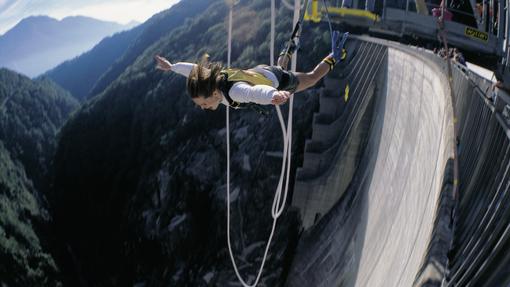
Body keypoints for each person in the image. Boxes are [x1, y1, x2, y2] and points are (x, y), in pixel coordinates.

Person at [155, 31, 349, 111]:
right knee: (278, 67)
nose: (203, 107)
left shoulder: (233, 91)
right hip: (259, 72)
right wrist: (172, 67)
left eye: (203, 103)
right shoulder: (212, 80)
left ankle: (335, 55)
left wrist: (274, 95)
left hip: (275, 81)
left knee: (312, 78)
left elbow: (253, 93)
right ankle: (287, 50)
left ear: (214, 94)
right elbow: (193, 70)